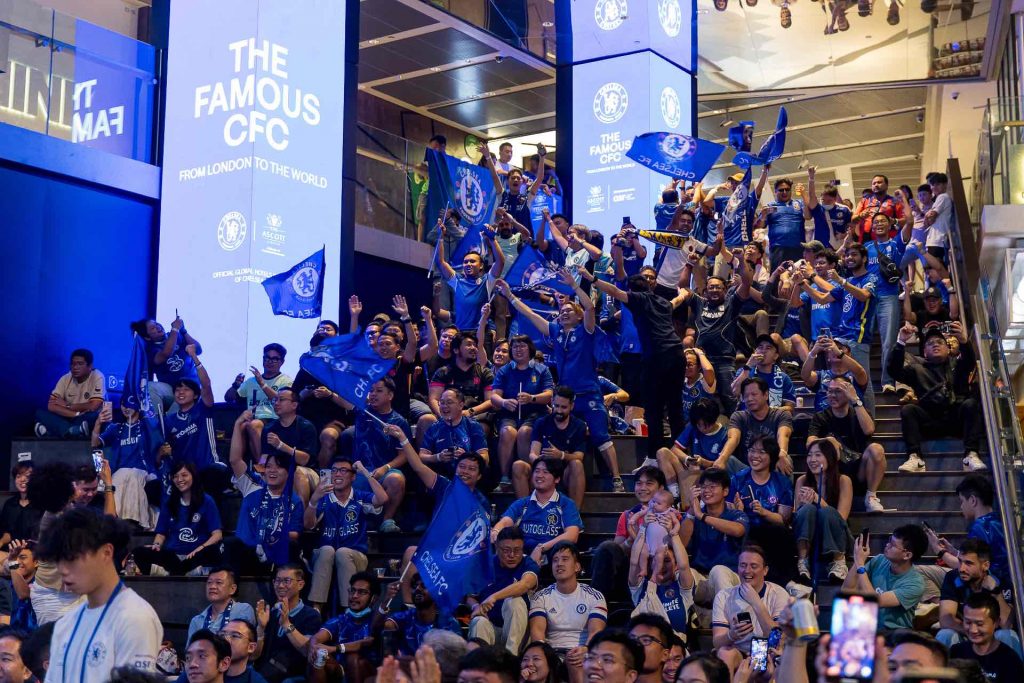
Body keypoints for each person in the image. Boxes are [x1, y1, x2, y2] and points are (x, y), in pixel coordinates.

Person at [498, 274, 626, 492]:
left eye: (569, 311)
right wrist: (509, 295)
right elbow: (529, 314)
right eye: (562, 311)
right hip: (566, 396)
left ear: (578, 317)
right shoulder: (555, 331)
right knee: (562, 435)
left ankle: (616, 478)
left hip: (589, 393)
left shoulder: (586, 330)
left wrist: (575, 285)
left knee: (600, 435)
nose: (564, 312)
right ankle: (561, 482)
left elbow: (589, 308)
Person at [38, 507, 163, 682]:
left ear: (106, 552)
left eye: (72, 558)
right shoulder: (65, 624)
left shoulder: (135, 617)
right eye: (58, 560)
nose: (62, 570)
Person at [586, 267, 688, 454]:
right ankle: (680, 453)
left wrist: (592, 279)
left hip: (657, 356)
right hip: (677, 354)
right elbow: (678, 300)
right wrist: (684, 292)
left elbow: (614, 291)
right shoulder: (662, 302)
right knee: (675, 406)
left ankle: (653, 455)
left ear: (632, 291)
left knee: (653, 408)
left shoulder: (639, 299)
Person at [890, 323, 986, 473]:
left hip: (956, 419)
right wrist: (901, 342)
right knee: (908, 410)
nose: (935, 345)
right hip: (930, 420)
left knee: (971, 404)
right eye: (930, 343)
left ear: (948, 349)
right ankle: (915, 457)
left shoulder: (957, 364)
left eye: (940, 342)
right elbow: (894, 371)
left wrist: (963, 341)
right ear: (924, 352)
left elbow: (969, 361)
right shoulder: (917, 369)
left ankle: (971, 455)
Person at [304, 457, 387, 614]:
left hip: (355, 556)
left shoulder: (360, 497)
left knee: (342, 552)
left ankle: (349, 610)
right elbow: (308, 525)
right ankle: (316, 609)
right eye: (334, 471)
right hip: (324, 557)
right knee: (328, 550)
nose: (337, 474)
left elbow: (382, 498)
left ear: (353, 476)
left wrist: (364, 471)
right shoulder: (323, 498)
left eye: (343, 470)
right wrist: (313, 500)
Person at [328, 377, 409, 533]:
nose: (373, 394)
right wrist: (330, 393)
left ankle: (386, 521)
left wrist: (386, 468)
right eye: (371, 391)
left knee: (396, 479)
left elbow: (404, 455)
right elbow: (342, 400)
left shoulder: (399, 421)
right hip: (358, 473)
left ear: (390, 395)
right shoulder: (362, 410)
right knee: (337, 477)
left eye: (379, 391)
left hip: (384, 473)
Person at [807, 377, 887, 513]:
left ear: (848, 392)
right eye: (830, 391)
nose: (832, 395)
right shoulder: (820, 417)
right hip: (834, 472)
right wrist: (827, 441)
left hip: (859, 471)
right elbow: (809, 442)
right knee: (826, 444)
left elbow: (869, 429)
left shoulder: (858, 413)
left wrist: (855, 400)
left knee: (877, 449)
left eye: (838, 391)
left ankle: (871, 496)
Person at [592, 467, 668, 605]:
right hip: (631, 572)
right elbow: (617, 550)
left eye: (649, 483)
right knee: (606, 548)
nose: (642, 487)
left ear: (661, 488)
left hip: (658, 568)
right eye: (639, 483)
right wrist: (631, 539)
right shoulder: (628, 516)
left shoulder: (669, 515)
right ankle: (596, 606)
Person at [131, 461, 223, 575]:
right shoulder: (169, 503)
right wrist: (156, 545)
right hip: (172, 556)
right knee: (139, 552)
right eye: (175, 476)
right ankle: (183, 572)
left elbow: (217, 534)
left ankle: (170, 572)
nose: (179, 480)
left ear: (193, 476)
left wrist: (200, 549)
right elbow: (160, 534)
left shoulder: (207, 501)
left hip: (196, 555)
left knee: (214, 551)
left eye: (184, 475)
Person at [224, 448, 303, 577]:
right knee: (231, 544)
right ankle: (232, 591)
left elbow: (294, 534)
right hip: (249, 552)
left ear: (289, 473)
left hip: (274, 552)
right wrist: (238, 426)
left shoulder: (294, 501)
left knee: (290, 546)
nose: (272, 470)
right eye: (269, 466)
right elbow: (234, 460)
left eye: (278, 467)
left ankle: (280, 592)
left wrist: (271, 533)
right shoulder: (252, 487)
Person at [162, 344, 230, 492]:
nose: (181, 392)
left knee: (210, 477)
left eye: (186, 389)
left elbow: (206, 384)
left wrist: (194, 357)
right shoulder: (169, 420)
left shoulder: (203, 408)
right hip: (186, 474)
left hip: (211, 466)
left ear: (195, 395)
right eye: (178, 390)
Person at [729, 436, 796, 587]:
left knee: (779, 531)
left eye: (761, 452)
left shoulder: (782, 482)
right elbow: (727, 510)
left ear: (771, 457)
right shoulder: (738, 479)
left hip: (772, 531)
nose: (755, 456)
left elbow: (783, 519)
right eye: (752, 451)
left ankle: (785, 584)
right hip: (746, 528)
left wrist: (764, 512)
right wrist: (737, 511)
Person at [710, 545, 790, 672]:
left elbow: (777, 640)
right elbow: (717, 642)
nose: (747, 571)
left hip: (766, 649)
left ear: (765, 570)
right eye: (743, 565)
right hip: (737, 651)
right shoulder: (724, 596)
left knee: (767, 664)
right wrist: (731, 635)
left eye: (753, 566)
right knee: (724, 653)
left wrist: (756, 603)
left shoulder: (778, 594)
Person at [490, 335, 554, 492]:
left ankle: (529, 474)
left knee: (525, 432)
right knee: (507, 432)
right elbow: (494, 396)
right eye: (515, 347)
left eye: (522, 346)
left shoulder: (541, 370)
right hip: (510, 413)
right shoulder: (505, 370)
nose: (518, 350)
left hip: (535, 414)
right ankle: (505, 478)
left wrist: (532, 398)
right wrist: (504, 402)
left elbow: (548, 395)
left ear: (530, 349)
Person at [936, 538, 1020, 656]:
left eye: (969, 563)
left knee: (1007, 635)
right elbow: (946, 620)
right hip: (965, 634)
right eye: (960, 561)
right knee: (945, 634)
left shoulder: (1001, 580)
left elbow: (1007, 624)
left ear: (985, 565)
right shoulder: (953, 577)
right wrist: (973, 632)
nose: (961, 568)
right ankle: (942, 674)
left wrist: (995, 592)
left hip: (993, 639)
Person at [493, 458, 583, 566]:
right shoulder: (523, 503)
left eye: (545, 472)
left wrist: (541, 548)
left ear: (557, 479)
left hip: (552, 556)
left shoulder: (565, 504)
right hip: (522, 556)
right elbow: (505, 522)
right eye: (537, 471)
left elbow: (572, 535)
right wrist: (496, 530)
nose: (539, 475)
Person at [680, 468, 749, 607]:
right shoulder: (694, 515)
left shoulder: (735, 515)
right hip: (702, 578)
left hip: (730, 578)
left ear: (725, 491)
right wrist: (692, 512)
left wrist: (703, 517)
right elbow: (681, 544)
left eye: (712, 486)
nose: (706, 490)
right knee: (681, 575)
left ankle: (727, 623)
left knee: (719, 571)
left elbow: (738, 530)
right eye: (703, 486)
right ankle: (686, 619)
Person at [529, 542, 607, 664]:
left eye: (565, 559)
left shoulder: (594, 596)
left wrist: (586, 649)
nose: (559, 564)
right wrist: (546, 657)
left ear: (577, 567)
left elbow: (596, 631)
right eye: (555, 560)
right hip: (552, 653)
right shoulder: (540, 597)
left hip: (583, 651)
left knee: (574, 664)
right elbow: (537, 633)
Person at [842, 524, 928, 631]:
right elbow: (847, 590)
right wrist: (857, 560)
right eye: (889, 540)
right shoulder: (879, 560)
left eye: (892, 545)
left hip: (894, 633)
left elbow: (875, 601)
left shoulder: (915, 583)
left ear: (907, 555)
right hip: (868, 628)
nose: (887, 545)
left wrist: (860, 565)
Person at [468, 527, 539, 655]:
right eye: (506, 550)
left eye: (517, 550)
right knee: (479, 622)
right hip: (492, 627)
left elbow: (525, 584)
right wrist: (475, 606)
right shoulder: (485, 566)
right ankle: (480, 667)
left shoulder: (528, 563)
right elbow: (470, 596)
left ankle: (511, 660)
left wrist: (494, 597)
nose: (512, 555)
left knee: (514, 601)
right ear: (496, 547)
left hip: (519, 633)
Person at [627, 511, 694, 644]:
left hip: (675, 651)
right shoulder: (641, 587)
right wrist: (642, 528)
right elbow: (634, 562)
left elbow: (684, 565)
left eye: (667, 560)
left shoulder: (682, 589)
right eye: (656, 560)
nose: (661, 564)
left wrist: (674, 533)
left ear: (676, 566)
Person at [92, 400, 160, 529]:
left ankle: (134, 522)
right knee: (120, 476)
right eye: (123, 404)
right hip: (119, 470)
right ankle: (114, 522)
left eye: (130, 403)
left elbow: (157, 438)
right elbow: (95, 445)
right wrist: (98, 423)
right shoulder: (115, 427)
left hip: (143, 471)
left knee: (132, 475)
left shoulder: (146, 426)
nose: (125, 408)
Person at [792, 439, 853, 583]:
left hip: (836, 537)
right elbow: (796, 515)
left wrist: (818, 499)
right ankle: (803, 561)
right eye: (809, 455)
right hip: (810, 537)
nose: (812, 459)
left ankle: (838, 562)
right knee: (806, 510)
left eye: (818, 455)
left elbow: (841, 518)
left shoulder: (843, 480)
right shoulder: (802, 480)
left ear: (829, 457)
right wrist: (804, 506)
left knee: (826, 512)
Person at [514, 388, 587, 504]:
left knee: (577, 464)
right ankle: (524, 511)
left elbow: (579, 456)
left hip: (565, 473)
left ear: (571, 406)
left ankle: (574, 515)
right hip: (543, 468)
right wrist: (541, 463)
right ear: (552, 401)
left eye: (563, 407)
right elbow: (533, 453)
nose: (558, 410)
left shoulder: (579, 426)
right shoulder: (541, 422)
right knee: (518, 465)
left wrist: (561, 455)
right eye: (556, 406)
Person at [863, 212, 909, 394]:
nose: (879, 224)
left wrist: (903, 198)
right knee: (862, 342)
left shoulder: (895, 244)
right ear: (872, 227)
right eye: (876, 222)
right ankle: (861, 381)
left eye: (883, 221)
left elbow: (911, 221)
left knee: (889, 341)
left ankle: (888, 381)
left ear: (890, 225)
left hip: (889, 297)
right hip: (869, 298)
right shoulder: (865, 248)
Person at [305, 572, 378, 683]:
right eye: (352, 590)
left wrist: (335, 648)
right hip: (340, 671)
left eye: (362, 592)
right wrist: (313, 646)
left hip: (368, 671)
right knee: (319, 655)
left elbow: (366, 642)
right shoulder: (340, 620)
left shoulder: (376, 621)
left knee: (352, 658)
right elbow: (317, 638)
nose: (354, 596)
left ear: (373, 598)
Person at [253, 564, 322, 683]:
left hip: (293, 675)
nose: (280, 586)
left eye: (286, 581)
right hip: (264, 672)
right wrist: (261, 627)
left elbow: (307, 651)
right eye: (277, 581)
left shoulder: (311, 615)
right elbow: (254, 655)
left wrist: (286, 624)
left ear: (300, 584)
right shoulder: (271, 613)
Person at [657, 399, 732, 506]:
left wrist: (703, 463)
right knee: (662, 452)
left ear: (714, 419)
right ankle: (675, 497)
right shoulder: (692, 427)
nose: (702, 428)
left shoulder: (724, 434)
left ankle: (693, 504)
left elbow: (721, 466)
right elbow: (675, 449)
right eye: (699, 425)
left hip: (709, 477)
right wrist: (688, 459)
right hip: (692, 471)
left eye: (706, 425)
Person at [225, 343, 293, 459]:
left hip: (275, 418)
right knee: (242, 426)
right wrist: (236, 385)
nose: (269, 361)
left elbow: (280, 401)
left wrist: (262, 384)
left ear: (282, 362)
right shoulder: (251, 381)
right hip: (253, 418)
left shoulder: (285, 381)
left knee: (254, 424)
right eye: (267, 358)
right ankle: (238, 467)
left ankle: (262, 465)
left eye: (274, 359)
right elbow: (229, 397)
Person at [252, 388, 318, 505]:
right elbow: (265, 455)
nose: (276, 403)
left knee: (298, 472)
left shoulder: (306, 427)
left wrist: (281, 445)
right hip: (280, 470)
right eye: (275, 400)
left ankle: (298, 519)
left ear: (294, 405)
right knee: (258, 477)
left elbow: (304, 460)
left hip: (306, 471)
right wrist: (260, 468)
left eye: (281, 400)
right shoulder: (269, 428)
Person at [715, 378, 794, 475]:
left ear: (765, 395)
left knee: (786, 458)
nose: (749, 399)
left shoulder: (781, 414)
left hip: (772, 469)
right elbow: (733, 438)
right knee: (727, 459)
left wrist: (782, 453)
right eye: (746, 396)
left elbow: (783, 435)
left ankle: (783, 490)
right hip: (745, 469)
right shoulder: (739, 416)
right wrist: (722, 458)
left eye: (754, 394)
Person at [436, 222, 505, 332]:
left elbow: (500, 262)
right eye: (465, 262)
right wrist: (440, 238)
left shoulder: (487, 281)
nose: (468, 264)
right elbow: (440, 262)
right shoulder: (457, 281)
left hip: (480, 334)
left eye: (472, 261)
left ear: (481, 265)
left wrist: (492, 240)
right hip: (460, 334)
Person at [375, 575, 462, 656]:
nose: (417, 589)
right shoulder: (404, 617)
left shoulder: (449, 622)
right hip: (406, 668)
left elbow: (456, 657)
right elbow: (377, 627)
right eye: (414, 586)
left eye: (424, 585)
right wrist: (386, 600)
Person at [133, 315, 204, 413]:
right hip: (172, 389)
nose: (158, 327)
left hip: (192, 387)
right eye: (153, 328)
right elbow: (166, 353)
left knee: (179, 407)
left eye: (157, 324)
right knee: (149, 387)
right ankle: (156, 423)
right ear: (147, 337)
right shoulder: (150, 350)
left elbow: (198, 350)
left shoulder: (177, 335)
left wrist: (183, 331)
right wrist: (175, 329)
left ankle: (167, 422)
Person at [950, 593, 1024, 681]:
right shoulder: (956, 652)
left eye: (980, 624)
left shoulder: (1009, 660)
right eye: (968, 622)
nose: (973, 630)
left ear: (996, 623)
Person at [34, 348, 105, 438]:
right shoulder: (65, 378)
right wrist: (75, 414)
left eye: (80, 364)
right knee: (40, 413)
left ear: (90, 366)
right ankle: (73, 431)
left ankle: (54, 431)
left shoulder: (97, 376)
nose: (75, 367)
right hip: (70, 417)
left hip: (87, 418)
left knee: (95, 416)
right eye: (73, 364)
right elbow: (51, 405)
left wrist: (68, 405)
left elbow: (94, 406)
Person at [419, 388, 489, 476]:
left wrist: (467, 457)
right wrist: (438, 457)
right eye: (442, 402)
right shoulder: (434, 428)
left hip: (467, 477)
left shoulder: (473, 426)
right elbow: (422, 456)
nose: (444, 406)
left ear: (461, 405)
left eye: (449, 402)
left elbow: (485, 457)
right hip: (441, 478)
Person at [800, 336, 869, 414]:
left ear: (849, 354)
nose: (835, 350)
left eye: (840, 348)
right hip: (825, 421)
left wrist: (839, 354)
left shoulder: (855, 375)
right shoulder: (820, 375)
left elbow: (860, 372)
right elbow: (805, 376)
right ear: (827, 356)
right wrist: (813, 352)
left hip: (852, 421)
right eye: (832, 349)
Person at [186, 569, 256, 643]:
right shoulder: (197, 621)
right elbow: (190, 652)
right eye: (209, 582)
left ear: (232, 589)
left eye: (218, 582)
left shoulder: (243, 610)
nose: (212, 586)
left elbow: (246, 646)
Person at [729, 335, 795, 412]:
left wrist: (766, 412)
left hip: (773, 420)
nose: (763, 351)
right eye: (760, 347)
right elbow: (734, 392)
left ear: (775, 356)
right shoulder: (744, 371)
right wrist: (748, 366)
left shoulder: (783, 378)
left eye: (768, 348)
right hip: (747, 419)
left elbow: (790, 408)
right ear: (755, 352)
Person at [755, 177, 806, 265]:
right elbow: (759, 226)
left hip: (799, 248)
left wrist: (804, 194)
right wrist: (763, 216)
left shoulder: (799, 203)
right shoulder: (770, 206)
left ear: (791, 190)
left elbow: (808, 216)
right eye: (781, 190)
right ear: (775, 191)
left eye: (787, 189)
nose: (784, 192)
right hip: (778, 249)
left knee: (799, 275)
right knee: (778, 276)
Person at [805, 167, 852, 247]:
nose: (826, 203)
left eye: (829, 201)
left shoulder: (844, 210)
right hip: (820, 249)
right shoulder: (818, 209)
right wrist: (811, 178)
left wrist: (844, 235)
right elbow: (811, 195)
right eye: (823, 200)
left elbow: (852, 227)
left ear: (835, 199)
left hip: (839, 248)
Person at [850, 174, 906, 242]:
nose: (876, 185)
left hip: (888, 241)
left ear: (886, 185)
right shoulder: (865, 200)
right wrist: (861, 216)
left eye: (879, 182)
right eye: (874, 183)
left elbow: (905, 221)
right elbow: (853, 219)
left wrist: (894, 221)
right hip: (866, 241)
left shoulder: (895, 201)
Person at [0, 464, 41, 551]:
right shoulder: (9, 504)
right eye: (18, 476)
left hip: (34, 554)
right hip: (10, 552)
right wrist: (1, 542)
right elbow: (7, 533)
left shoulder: (42, 505)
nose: (22, 479)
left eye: (27, 476)